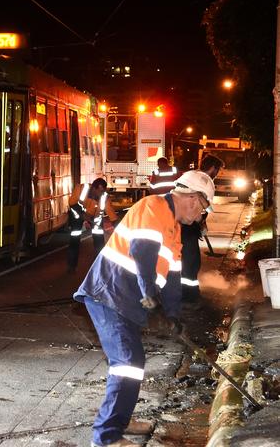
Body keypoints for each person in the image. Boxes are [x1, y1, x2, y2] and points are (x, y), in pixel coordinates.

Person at [73, 170, 215, 447]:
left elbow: (173, 278)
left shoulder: (174, 229)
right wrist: (151, 297)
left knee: (132, 362)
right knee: (127, 364)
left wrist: (174, 316)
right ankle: (106, 436)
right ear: (194, 200)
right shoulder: (153, 207)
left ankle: (120, 421)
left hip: (125, 301)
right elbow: (142, 253)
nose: (200, 217)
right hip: (109, 294)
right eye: (203, 209)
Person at [181, 154, 224, 302]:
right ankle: (189, 296)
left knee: (178, 259)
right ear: (212, 168)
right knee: (191, 262)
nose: (217, 174)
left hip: (172, 220)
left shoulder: (190, 174)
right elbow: (200, 206)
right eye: (217, 170)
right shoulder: (206, 181)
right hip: (186, 224)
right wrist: (201, 223)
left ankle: (178, 293)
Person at [67, 178, 114, 271]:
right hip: (77, 216)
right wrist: (82, 215)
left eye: (103, 191)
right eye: (100, 191)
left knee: (99, 241)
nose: (101, 194)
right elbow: (72, 203)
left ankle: (99, 266)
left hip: (95, 218)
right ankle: (71, 266)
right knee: (74, 239)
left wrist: (117, 226)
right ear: (93, 188)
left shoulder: (104, 197)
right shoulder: (81, 189)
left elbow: (112, 215)